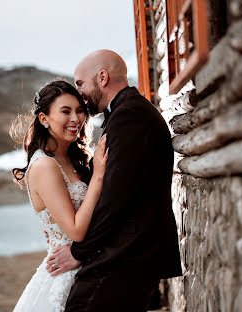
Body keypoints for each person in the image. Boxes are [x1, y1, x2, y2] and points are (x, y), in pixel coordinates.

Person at [46, 50, 182, 311]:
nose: (79, 92)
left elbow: (115, 199)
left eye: (80, 83)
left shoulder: (129, 116)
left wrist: (78, 253)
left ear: (103, 77)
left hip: (126, 256)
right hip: (128, 254)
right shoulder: (125, 113)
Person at [11, 79, 108, 312]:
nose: (76, 119)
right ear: (44, 119)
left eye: (79, 111)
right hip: (64, 273)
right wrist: (98, 178)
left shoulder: (74, 159)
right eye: (65, 111)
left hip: (87, 268)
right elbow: (75, 230)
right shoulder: (44, 166)